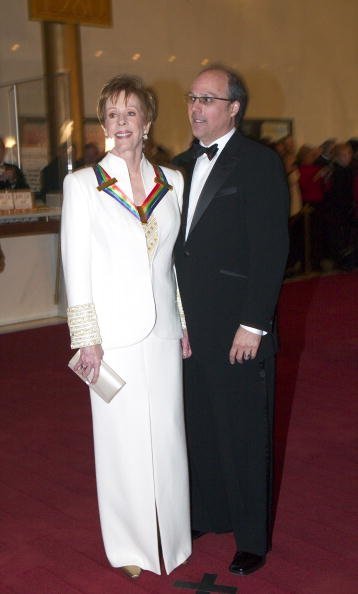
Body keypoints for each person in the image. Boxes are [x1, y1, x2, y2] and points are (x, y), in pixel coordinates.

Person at [61, 74, 191, 579]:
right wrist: (85, 336)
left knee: (168, 434)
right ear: (102, 123)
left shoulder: (173, 182)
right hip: (111, 337)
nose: (121, 123)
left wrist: (182, 319)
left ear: (147, 121)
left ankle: (173, 538)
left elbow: (174, 262)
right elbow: (77, 267)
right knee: (120, 442)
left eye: (130, 113)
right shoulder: (83, 185)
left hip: (162, 330)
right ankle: (131, 548)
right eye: (112, 114)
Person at [174, 65, 289, 576]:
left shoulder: (259, 163)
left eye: (208, 99)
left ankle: (251, 537)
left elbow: (271, 250)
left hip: (239, 326)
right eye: (192, 97)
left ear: (234, 107)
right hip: (190, 327)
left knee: (244, 433)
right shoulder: (175, 167)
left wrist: (254, 323)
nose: (196, 107)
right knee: (200, 424)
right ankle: (209, 513)